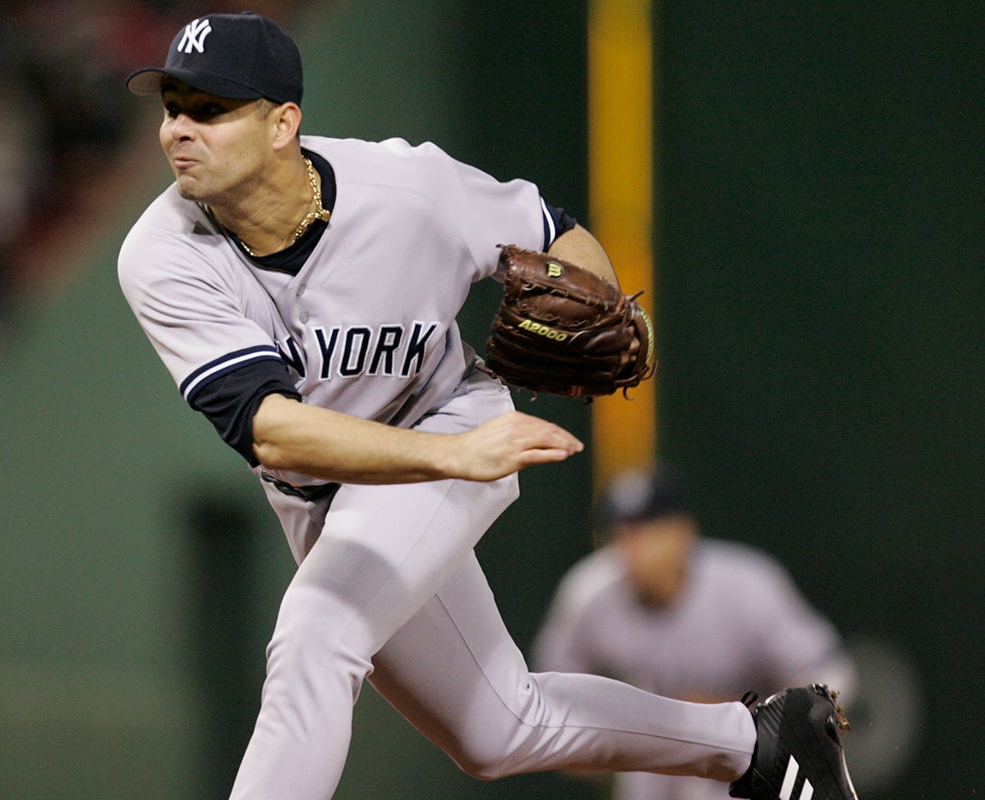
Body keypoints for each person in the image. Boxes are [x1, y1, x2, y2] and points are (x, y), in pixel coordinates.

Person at [116, 12, 858, 800]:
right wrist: (449, 462)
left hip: (448, 416)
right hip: (353, 481)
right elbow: (273, 433)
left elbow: (553, 232)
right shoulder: (162, 255)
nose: (178, 131)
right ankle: (758, 744)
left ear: (282, 124)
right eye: (171, 107)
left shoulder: (407, 191)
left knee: (316, 637)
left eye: (208, 109)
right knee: (497, 728)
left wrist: (610, 306)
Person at [533, 464, 858, 800]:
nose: (636, 550)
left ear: (683, 533)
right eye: (624, 535)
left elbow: (833, 678)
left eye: (651, 532)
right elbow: (546, 710)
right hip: (651, 777)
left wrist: (750, 722)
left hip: (750, 769)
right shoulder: (588, 596)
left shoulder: (746, 588)